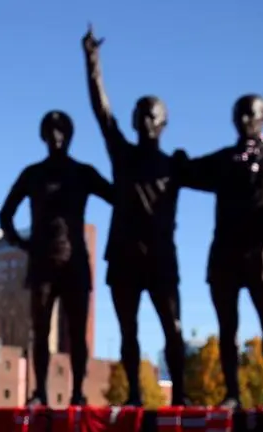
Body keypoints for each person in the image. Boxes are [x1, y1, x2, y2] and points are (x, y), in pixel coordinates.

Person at [179, 95, 263, 406]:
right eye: (239, 115)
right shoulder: (223, 160)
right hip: (226, 252)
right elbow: (188, 173)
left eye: (250, 115)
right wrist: (177, 161)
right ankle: (232, 393)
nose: (244, 121)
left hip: (262, 253)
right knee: (227, 328)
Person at [81, 25, 187, 405]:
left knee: (173, 330)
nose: (144, 120)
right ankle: (135, 397)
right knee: (128, 331)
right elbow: (100, 109)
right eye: (139, 114)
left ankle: (181, 397)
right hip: (124, 256)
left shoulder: (176, 165)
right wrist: (92, 60)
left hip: (160, 258)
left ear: (163, 123)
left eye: (151, 115)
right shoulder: (122, 155)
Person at [0, 110, 113, 406]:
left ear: (70, 136)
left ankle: (77, 392)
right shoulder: (33, 174)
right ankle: (41, 392)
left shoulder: (83, 173)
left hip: (75, 263)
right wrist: (21, 243)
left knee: (77, 332)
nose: (56, 137)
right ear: (43, 136)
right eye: (50, 131)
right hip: (42, 265)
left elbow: (118, 197)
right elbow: (5, 214)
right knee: (41, 330)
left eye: (61, 131)